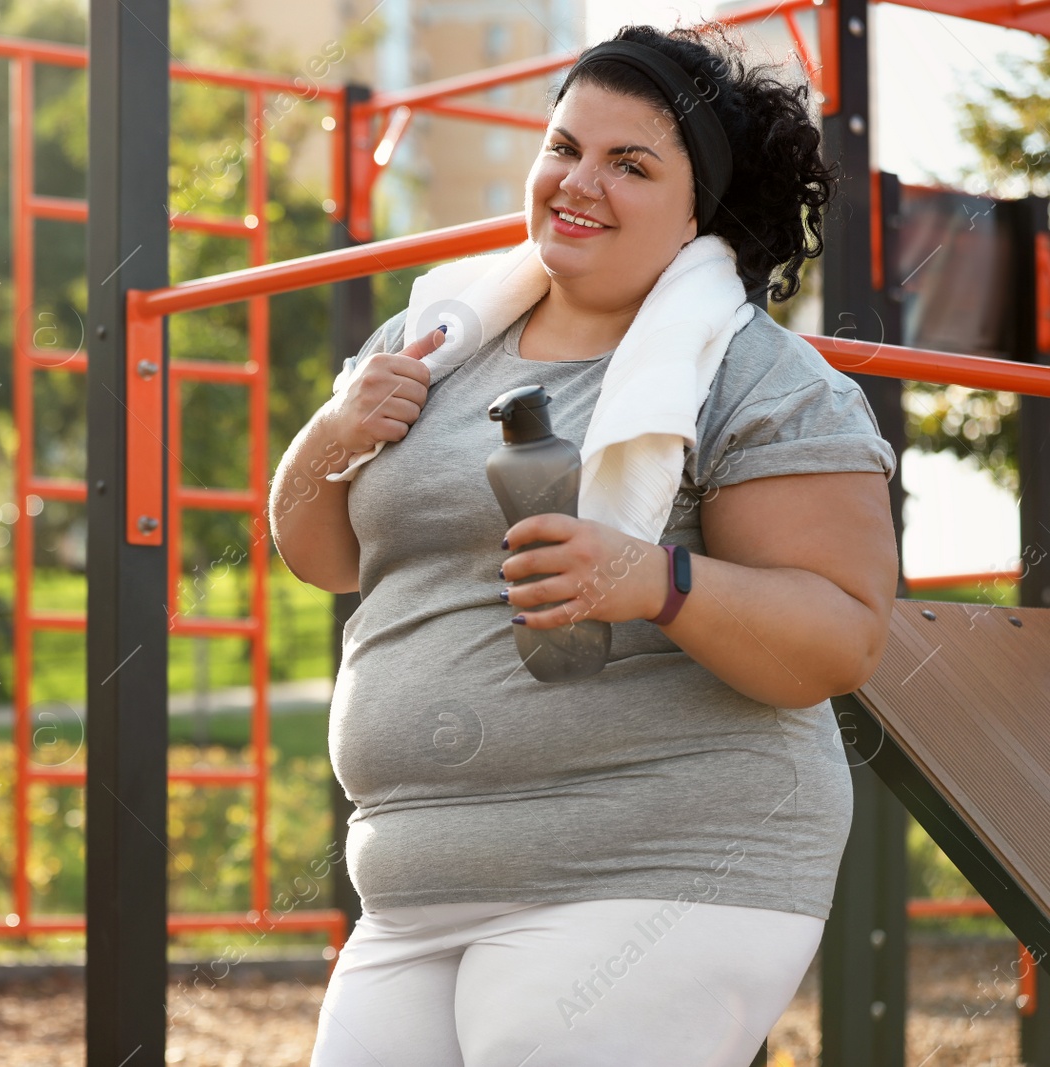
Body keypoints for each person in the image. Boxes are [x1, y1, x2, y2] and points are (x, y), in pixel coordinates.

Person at [270, 22, 900, 1067]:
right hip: (413, 884)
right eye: (564, 146)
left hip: (661, 865)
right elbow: (323, 556)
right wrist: (328, 434)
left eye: (630, 164)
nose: (578, 182)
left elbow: (840, 639)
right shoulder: (427, 344)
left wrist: (654, 577)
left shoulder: (758, 381)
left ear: (702, 207)